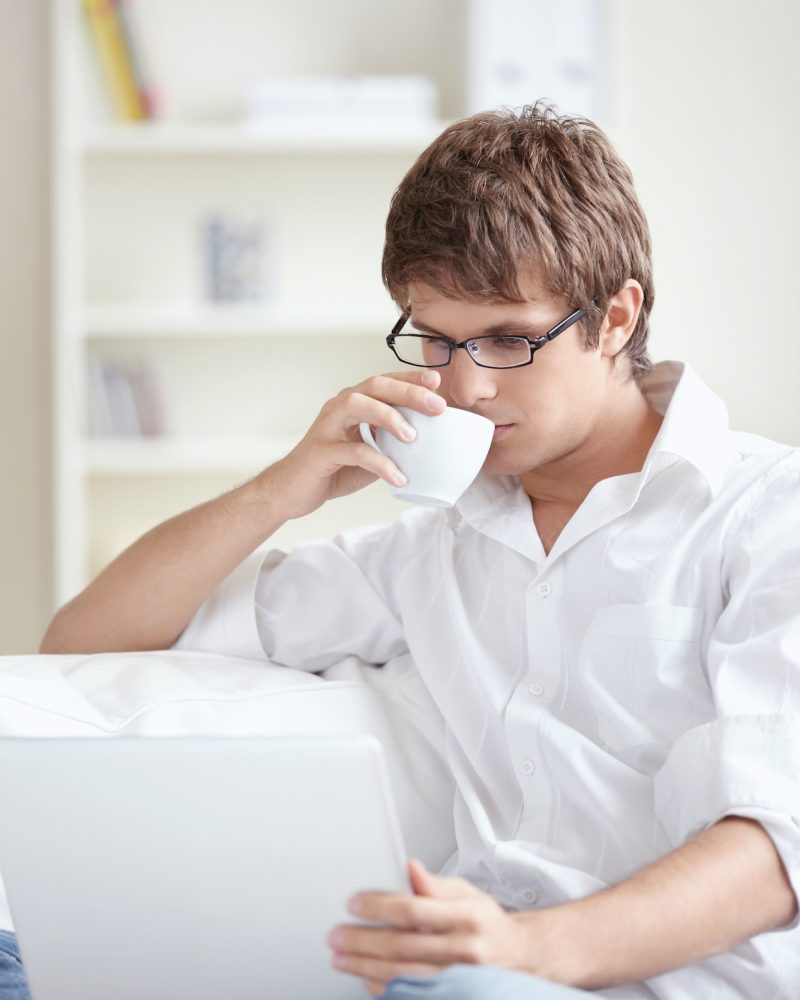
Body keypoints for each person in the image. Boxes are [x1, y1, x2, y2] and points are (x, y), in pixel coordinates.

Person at [32, 103, 799, 999]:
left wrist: (524, 948)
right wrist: (282, 489)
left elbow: (776, 846)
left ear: (618, 317)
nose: (464, 386)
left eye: (510, 339)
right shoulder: (434, 546)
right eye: (434, 339)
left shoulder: (765, 516)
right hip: (450, 971)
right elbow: (86, 642)